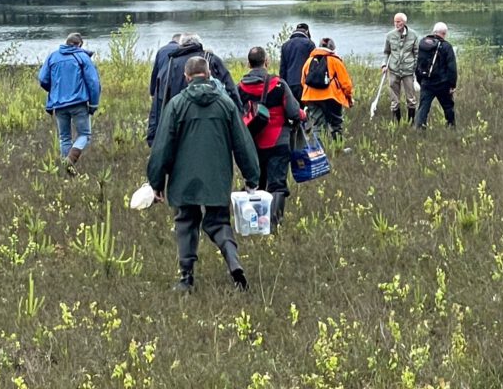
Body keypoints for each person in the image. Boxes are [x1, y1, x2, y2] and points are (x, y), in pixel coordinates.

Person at [147, 56, 260, 293]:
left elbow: (162, 146)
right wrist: (252, 178)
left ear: (186, 77)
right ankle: (233, 262)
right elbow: (243, 144)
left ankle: (186, 278)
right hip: (217, 177)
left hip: (183, 178)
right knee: (218, 222)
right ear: (209, 75)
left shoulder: (177, 104)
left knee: (186, 222)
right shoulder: (226, 104)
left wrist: (156, 182)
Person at [238, 46, 305, 229]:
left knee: (256, 184)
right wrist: (302, 116)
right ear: (266, 62)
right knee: (277, 185)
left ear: (248, 63)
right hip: (277, 141)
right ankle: (274, 225)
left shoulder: (240, 87)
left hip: (252, 143)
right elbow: (293, 112)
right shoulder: (278, 84)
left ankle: (254, 223)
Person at [147, 33, 242, 147]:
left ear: (180, 45)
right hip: (214, 129)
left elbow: (158, 103)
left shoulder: (169, 65)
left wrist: (153, 135)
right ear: (199, 43)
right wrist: (239, 123)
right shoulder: (211, 61)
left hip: (178, 130)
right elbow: (231, 91)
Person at [38, 32, 101, 175]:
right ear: (79, 45)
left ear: (66, 43)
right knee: (85, 134)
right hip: (79, 103)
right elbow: (93, 82)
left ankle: (68, 170)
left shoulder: (52, 57)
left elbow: (43, 79)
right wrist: (93, 104)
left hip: (59, 105)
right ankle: (70, 160)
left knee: (64, 137)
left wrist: (55, 91)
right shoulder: (82, 57)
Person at [300, 37, 354, 143]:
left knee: (318, 126)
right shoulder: (335, 61)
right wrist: (349, 97)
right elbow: (346, 84)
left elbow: (303, 81)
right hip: (331, 97)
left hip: (311, 98)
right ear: (333, 48)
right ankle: (338, 147)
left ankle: (320, 150)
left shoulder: (309, 61)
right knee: (336, 124)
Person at [414, 22, 458, 129]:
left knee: (423, 107)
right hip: (442, 83)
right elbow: (452, 67)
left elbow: (419, 64)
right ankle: (451, 126)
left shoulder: (423, 44)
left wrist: (421, 80)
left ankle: (419, 127)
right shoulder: (446, 46)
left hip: (426, 82)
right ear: (444, 33)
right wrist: (452, 85)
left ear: (434, 31)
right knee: (448, 106)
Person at [382, 12, 419, 123]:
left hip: (408, 71)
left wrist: (415, 68)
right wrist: (384, 64)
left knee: (411, 99)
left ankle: (411, 122)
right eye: (395, 22)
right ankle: (397, 123)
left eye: (398, 22)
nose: (396, 24)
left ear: (404, 22)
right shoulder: (389, 36)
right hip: (393, 70)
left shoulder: (414, 35)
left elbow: (417, 53)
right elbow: (386, 52)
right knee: (395, 100)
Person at [279, 23, 315, 104]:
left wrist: (282, 86)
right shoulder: (310, 44)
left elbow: (282, 69)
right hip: (305, 84)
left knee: (292, 111)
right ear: (307, 31)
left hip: (289, 84)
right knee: (305, 111)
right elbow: (314, 67)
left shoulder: (285, 45)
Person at [149, 33, 183, 99]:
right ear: (181, 41)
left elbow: (155, 72)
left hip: (162, 84)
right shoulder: (181, 49)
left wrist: (152, 92)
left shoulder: (161, 50)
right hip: (177, 85)